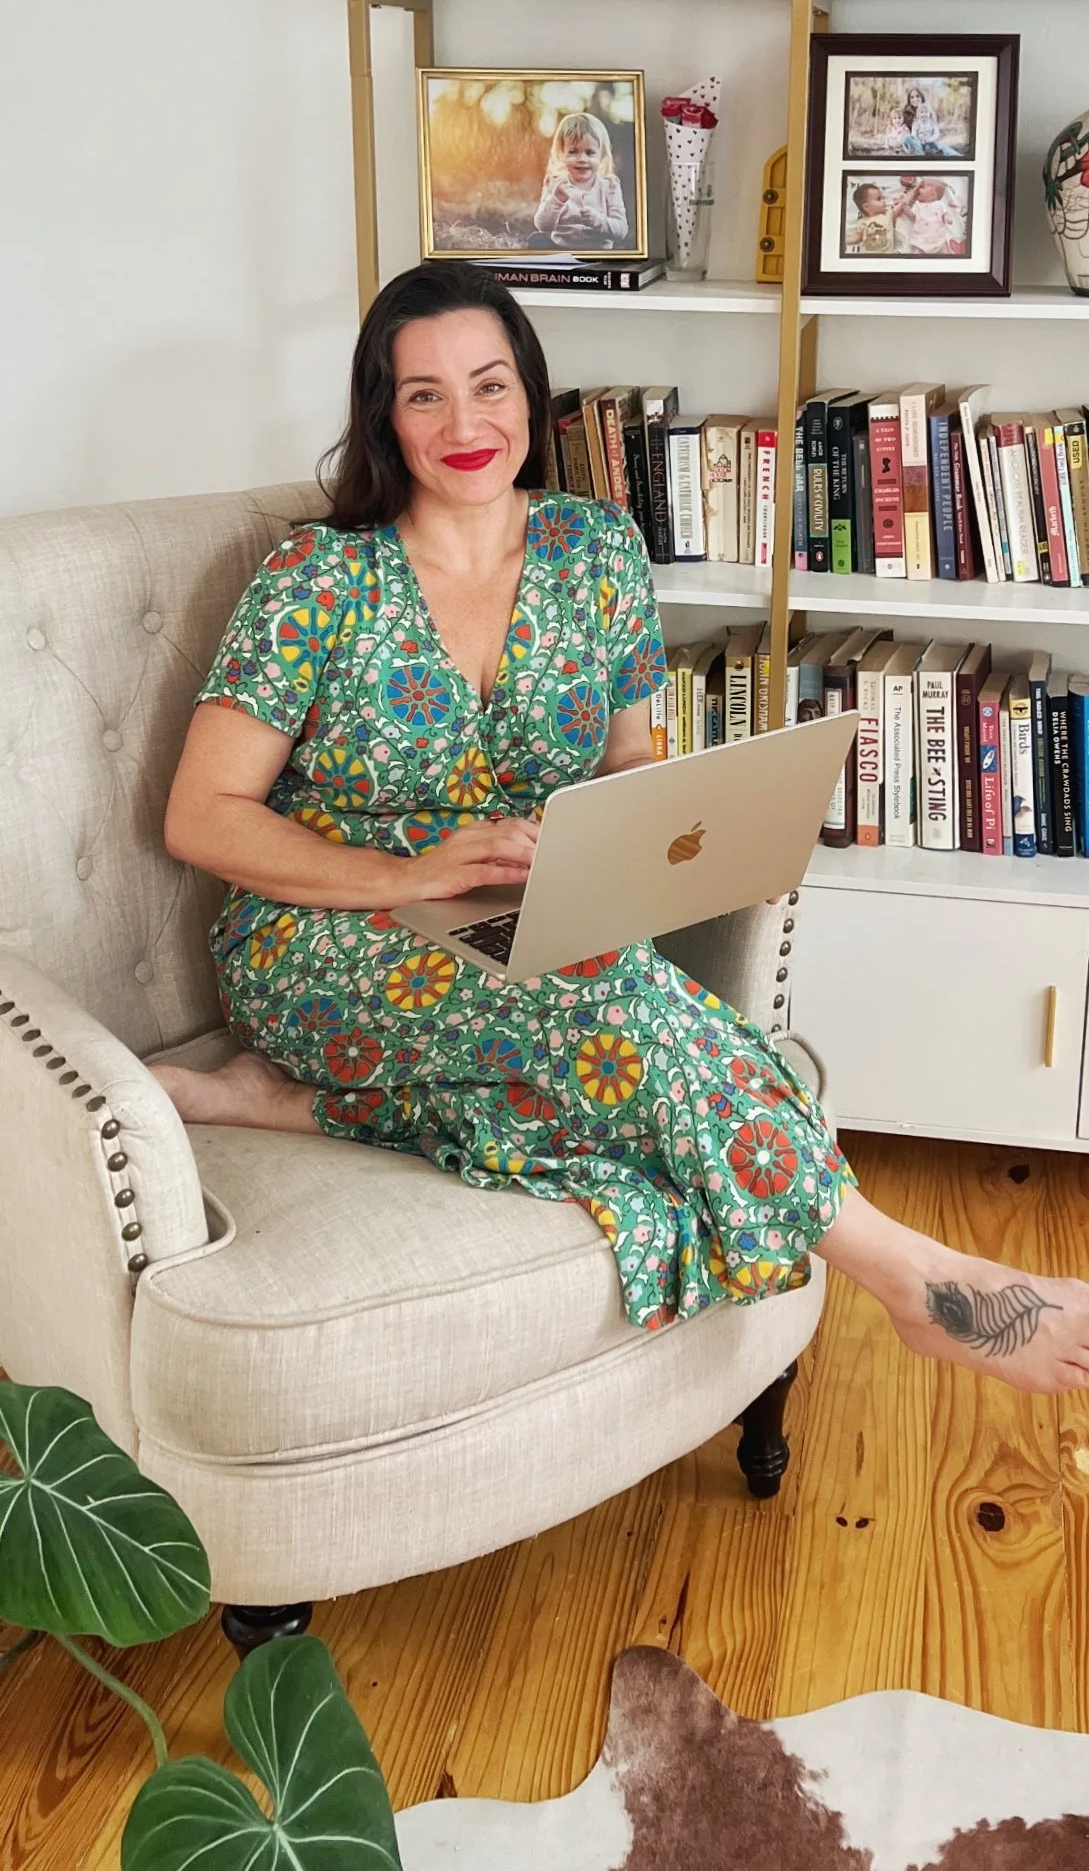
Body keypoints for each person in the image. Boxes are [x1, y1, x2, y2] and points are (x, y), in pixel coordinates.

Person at [153, 261, 1089, 1392]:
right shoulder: (317, 575)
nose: (465, 422)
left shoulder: (596, 551)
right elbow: (202, 818)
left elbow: (629, 759)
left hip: (525, 914)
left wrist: (651, 837)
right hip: (320, 935)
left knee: (609, 1002)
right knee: (617, 1014)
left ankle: (289, 1103)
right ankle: (918, 1280)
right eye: (425, 395)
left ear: (530, 395)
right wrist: (405, 870)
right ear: (382, 416)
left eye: (490, 385)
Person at [533, 112, 628, 249]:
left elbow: (621, 231)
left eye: (590, 152)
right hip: (561, 250)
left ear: (602, 155)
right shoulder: (556, 183)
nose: (582, 159)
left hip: (598, 253)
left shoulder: (609, 185)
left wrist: (597, 220)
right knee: (537, 240)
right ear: (562, 152)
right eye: (573, 151)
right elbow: (543, 226)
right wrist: (557, 199)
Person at [897, 177, 967, 256]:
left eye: (923, 188)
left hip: (937, 239)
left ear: (933, 194)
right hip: (920, 239)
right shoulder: (917, 205)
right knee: (916, 253)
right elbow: (913, 217)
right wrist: (907, 210)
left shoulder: (939, 205)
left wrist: (947, 217)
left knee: (944, 251)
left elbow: (945, 213)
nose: (918, 190)